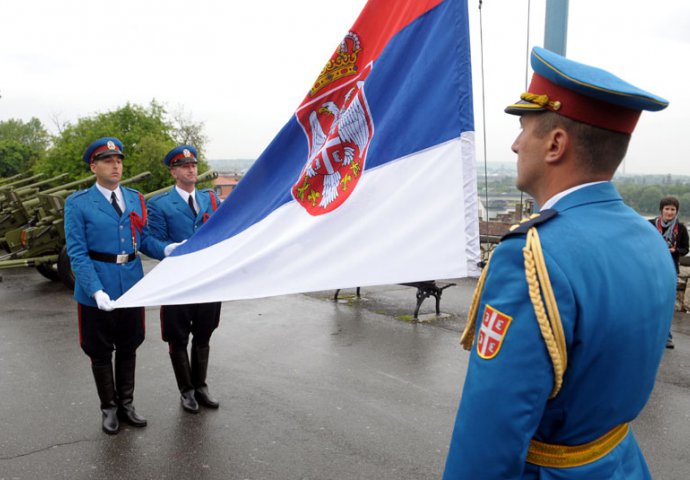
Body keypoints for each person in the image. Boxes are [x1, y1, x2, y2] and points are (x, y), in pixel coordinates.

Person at [443, 47, 675, 479]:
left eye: (523, 129)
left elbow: (490, 431)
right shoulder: (647, 236)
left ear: (555, 144)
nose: (514, 144)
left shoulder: (530, 256)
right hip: (622, 464)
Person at [65, 137, 179, 435]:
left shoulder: (134, 198)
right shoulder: (78, 203)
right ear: (94, 166)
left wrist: (166, 249)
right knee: (100, 350)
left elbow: (142, 241)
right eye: (107, 161)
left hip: (131, 285)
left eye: (118, 161)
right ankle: (109, 408)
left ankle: (126, 404)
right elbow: (77, 252)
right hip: (98, 289)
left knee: (129, 346)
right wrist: (95, 289)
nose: (115, 165)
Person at [147, 145, 222, 413]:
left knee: (204, 333)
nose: (191, 169)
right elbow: (149, 240)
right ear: (173, 172)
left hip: (206, 279)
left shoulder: (211, 199)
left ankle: (201, 385)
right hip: (176, 279)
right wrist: (166, 249)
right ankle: (186, 390)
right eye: (184, 166)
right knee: (178, 337)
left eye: (193, 165)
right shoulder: (159, 204)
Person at [650, 196, 689, 349]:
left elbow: (686, 249)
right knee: (650, 302)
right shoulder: (650, 225)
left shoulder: (681, 228)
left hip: (670, 267)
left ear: (676, 211)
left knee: (666, 303)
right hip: (651, 267)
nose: (670, 212)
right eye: (667, 208)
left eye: (673, 209)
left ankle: (667, 337)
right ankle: (648, 334)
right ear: (661, 210)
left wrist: (675, 250)